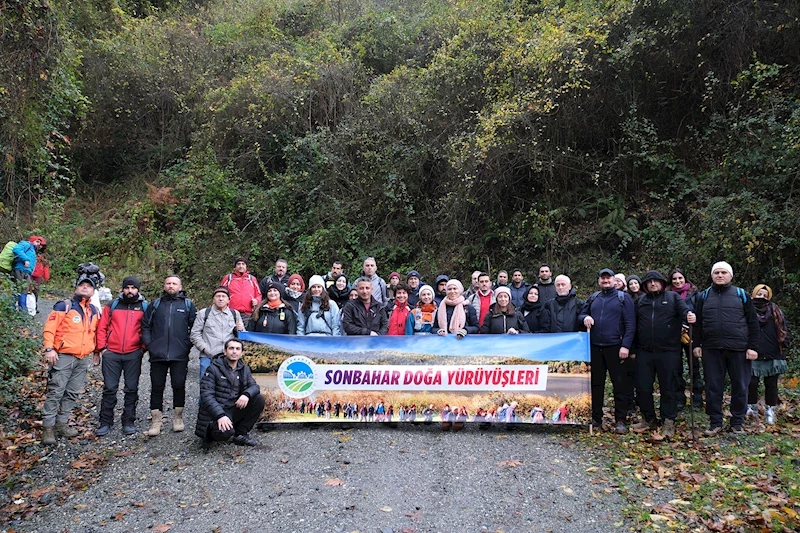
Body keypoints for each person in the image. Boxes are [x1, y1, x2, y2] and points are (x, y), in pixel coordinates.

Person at [692, 261, 759, 436]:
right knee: (713, 387)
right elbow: (698, 323)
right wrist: (696, 344)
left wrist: (752, 347)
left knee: (740, 386)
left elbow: (753, 322)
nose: (720, 275)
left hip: (738, 349)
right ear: (712, 275)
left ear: (730, 275)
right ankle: (715, 422)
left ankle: (737, 423)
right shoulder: (703, 296)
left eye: (723, 272)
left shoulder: (741, 294)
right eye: (716, 273)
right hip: (712, 349)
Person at [629, 270, 695, 439]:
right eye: (649, 282)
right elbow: (634, 326)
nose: (653, 284)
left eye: (656, 281)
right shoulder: (641, 301)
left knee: (668, 388)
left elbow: (685, 312)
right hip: (644, 352)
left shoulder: (673, 298)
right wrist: (633, 350)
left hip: (669, 352)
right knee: (643, 388)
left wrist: (689, 315)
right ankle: (648, 418)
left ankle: (668, 421)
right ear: (645, 285)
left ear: (662, 283)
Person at [41, 274, 100, 445]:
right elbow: (49, 328)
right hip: (63, 356)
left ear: (93, 290)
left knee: (72, 392)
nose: (85, 287)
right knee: (55, 392)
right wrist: (49, 349)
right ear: (76, 287)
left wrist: (96, 351)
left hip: (83, 359)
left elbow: (95, 334)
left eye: (89, 286)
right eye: (82, 284)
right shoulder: (64, 306)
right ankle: (48, 428)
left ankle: (62, 423)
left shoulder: (94, 311)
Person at [579, 268, 636, 434]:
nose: (605, 281)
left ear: (613, 280)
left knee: (620, 385)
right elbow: (581, 315)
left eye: (608, 278)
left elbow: (631, 324)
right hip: (595, 347)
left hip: (616, 348)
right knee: (596, 385)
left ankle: (620, 420)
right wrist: (585, 318)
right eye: (602, 279)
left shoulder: (623, 298)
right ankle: (596, 418)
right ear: (599, 281)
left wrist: (625, 345)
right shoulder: (593, 298)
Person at [142, 275, 197, 436]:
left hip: (179, 354)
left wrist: (186, 345)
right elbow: (146, 325)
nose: (171, 286)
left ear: (180, 287)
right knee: (157, 386)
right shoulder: (156, 304)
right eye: (168, 283)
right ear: (164, 286)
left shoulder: (187, 305)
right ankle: (156, 420)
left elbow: (194, 328)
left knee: (179, 385)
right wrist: (150, 344)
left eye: (174, 283)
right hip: (157, 353)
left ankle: (177, 417)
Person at [95, 276, 148, 437]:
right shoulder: (113, 305)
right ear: (122, 289)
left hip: (133, 353)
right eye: (127, 288)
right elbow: (102, 327)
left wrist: (142, 348)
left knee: (131, 389)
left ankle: (128, 421)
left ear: (138, 289)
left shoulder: (144, 307)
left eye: (133, 288)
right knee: (110, 388)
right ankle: (105, 422)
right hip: (112, 353)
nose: (130, 291)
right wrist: (102, 348)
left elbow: (148, 328)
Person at [195, 339, 265, 448]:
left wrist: (246, 394)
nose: (234, 351)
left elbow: (254, 386)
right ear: (225, 351)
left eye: (238, 349)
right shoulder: (213, 369)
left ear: (241, 353)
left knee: (258, 399)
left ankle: (241, 434)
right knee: (225, 433)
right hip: (219, 411)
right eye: (231, 348)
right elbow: (206, 396)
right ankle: (210, 431)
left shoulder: (244, 369)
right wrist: (220, 415)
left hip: (235, 407)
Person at [748, 284, 789, 426]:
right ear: (754, 294)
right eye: (759, 294)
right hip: (753, 352)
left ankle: (770, 410)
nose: (762, 297)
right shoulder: (747, 309)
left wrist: (784, 344)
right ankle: (751, 408)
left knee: (771, 384)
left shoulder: (776, 310)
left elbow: (784, 328)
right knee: (751, 383)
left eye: (765, 295)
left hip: (773, 352)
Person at [667, 267, 703, 409]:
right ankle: (679, 398)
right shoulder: (667, 295)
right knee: (676, 368)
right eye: (674, 279)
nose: (677, 281)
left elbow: (699, 313)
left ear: (685, 279)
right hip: (674, 335)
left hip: (692, 333)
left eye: (680, 278)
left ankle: (697, 397)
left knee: (694, 366)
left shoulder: (695, 294)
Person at [191, 286, 245, 380]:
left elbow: (242, 336)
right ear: (213, 299)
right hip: (208, 357)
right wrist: (204, 348)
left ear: (228, 300)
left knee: (228, 387)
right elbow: (195, 334)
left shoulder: (235, 314)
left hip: (229, 358)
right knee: (206, 386)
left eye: (223, 296)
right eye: (218, 296)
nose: (220, 299)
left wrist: (240, 330)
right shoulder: (204, 313)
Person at [220, 258, 261, 322]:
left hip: (247, 314)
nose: (241, 266)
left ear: (246, 266)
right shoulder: (228, 278)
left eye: (243, 264)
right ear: (235, 266)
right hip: (230, 313)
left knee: (245, 331)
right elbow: (220, 293)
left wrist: (257, 300)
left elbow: (259, 294)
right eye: (238, 264)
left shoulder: (252, 279)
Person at [11, 236, 42, 312]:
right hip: (20, 270)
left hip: (26, 272)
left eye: (40, 243)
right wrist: (26, 259)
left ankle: (23, 311)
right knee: (18, 289)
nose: (39, 244)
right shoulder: (26, 244)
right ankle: (13, 309)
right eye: (37, 241)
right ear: (32, 240)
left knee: (24, 291)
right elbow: (16, 249)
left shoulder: (32, 250)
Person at [28, 236, 49, 313]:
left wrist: (46, 276)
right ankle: (29, 306)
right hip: (30, 272)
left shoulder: (44, 256)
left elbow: (46, 266)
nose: (40, 247)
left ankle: (34, 307)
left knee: (35, 291)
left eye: (42, 245)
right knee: (28, 289)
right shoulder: (31, 250)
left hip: (38, 275)